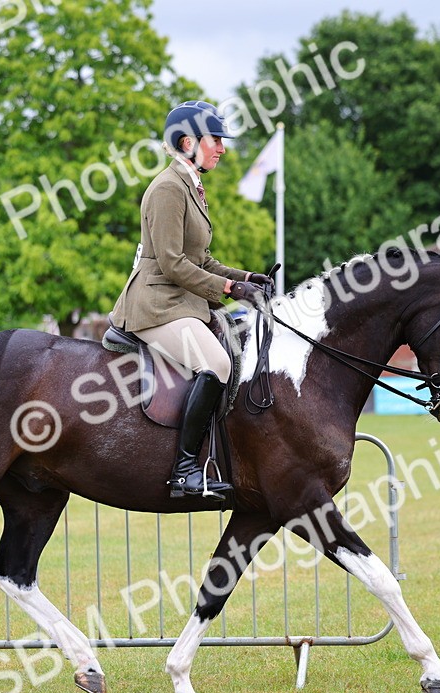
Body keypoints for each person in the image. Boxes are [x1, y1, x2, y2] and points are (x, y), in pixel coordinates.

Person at [109, 100, 271, 500]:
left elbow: (203, 260)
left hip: (179, 302)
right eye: (215, 139)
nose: (222, 148)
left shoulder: (190, 185)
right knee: (215, 364)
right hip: (156, 305)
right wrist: (232, 291)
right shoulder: (167, 188)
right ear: (187, 142)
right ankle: (184, 471)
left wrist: (246, 277)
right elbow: (172, 263)